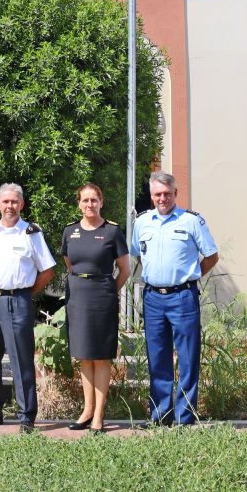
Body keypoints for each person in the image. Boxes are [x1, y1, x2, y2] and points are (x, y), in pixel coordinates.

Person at [129, 171, 219, 426]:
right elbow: (138, 255)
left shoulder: (192, 221)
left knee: (188, 358)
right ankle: (160, 415)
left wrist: (190, 276)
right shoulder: (142, 222)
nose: (163, 198)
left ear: (176, 194)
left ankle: (184, 417)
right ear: (151, 196)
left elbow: (211, 256)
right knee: (157, 358)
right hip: (153, 298)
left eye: (168, 194)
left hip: (183, 297)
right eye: (158, 194)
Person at [0, 183, 55, 433]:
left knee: (21, 359)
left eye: (14, 202)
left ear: (22, 205)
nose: (10, 206)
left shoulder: (31, 233)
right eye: (5, 202)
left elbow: (48, 270)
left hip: (18, 301)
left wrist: (24, 293)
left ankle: (26, 415)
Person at [61, 184, 131, 434]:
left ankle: (99, 415)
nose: (89, 204)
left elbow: (125, 270)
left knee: (101, 357)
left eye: (94, 200)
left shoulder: (112, 231)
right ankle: (87, 409)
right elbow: (70, 264)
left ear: (101, 202)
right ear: (79, 203)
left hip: (103, 295)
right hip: (78, 296)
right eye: (85, 200)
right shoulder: (70, 231)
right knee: (84, 355)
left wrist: (111, 291)